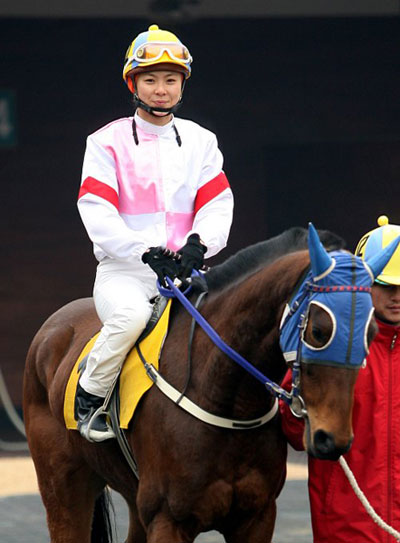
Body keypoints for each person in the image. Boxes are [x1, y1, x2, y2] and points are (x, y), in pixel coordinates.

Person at [75, 24, 234, 442]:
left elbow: (217, 203)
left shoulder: (202, 141)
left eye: (170, 80)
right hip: (125, 272)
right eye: (150, 80)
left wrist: (200, 243)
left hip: (185, 271)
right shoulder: (105, 142)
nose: (161, 90)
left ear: (182, 85)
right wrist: (143, 251)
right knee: (130, 318)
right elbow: (97, 211)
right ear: (133, 84)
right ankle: (91, 397)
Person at [279, 215, 400, 543]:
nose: (396, 296)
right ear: (365, 283)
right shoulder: (329, 347)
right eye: (386, 286)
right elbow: (293, 433)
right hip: (347, 526)